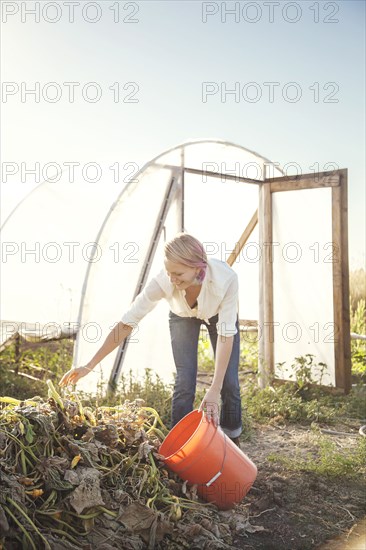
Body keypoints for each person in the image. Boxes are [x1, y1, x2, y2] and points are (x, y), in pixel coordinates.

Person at [59, 233, 242, 443]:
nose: (172, 279)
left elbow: (226, 335)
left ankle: (232, 437)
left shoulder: (226, 279)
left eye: (178, 273)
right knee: (185, 381)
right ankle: (180, 443)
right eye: (168, 272)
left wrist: (213, 390)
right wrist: (89, 365)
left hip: (217, 313)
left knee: (229, 382)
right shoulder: (163, 282)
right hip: (182, 316)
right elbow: (127, 323)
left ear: (198, 267)